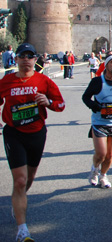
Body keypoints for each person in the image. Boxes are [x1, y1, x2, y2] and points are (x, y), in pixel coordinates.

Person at [0, 43, 65, 242]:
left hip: (36, 133)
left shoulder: (43, 81)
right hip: (14, 133)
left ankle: (17, 199)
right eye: (22, 56)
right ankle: (23, 230)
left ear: (35, 60)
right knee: (19, 181)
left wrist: (48, 102)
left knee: (28, 179)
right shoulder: (7, 80)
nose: (26, 59)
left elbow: (60, 105)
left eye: (30, 56)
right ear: (16, 59)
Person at [82, 54, 112, 189]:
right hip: (99, 122)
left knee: (109, 155)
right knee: (101, 153)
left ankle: (103, 175)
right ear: (106, 65)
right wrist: (94, 106)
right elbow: (85, 97)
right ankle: (95, 169)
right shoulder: (97, 82)